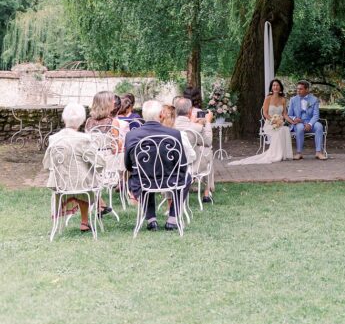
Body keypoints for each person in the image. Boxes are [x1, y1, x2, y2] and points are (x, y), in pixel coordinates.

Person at [124, 99, 190, 231]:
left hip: (143, 181)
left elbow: (128, 165)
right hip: (169, 179)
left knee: (138, 177)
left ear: (143, 116)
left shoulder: (132, 135)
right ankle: (172, 218)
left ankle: (151, 219)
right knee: (186, 177)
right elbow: (181, 162)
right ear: (161, 115)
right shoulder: (173, 134)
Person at [43, 102, 108, 234]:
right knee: (85, 180)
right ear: (82, 120)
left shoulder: (54, 138)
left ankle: (67, 224)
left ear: (63, 118)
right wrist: (98, 168)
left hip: (60, 183)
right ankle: (85, 221)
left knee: (79, 179)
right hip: (82, 183)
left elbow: (47, 163)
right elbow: (98, 161)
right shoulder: (84, 139)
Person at [229, 79, 294, 166]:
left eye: (277, 85)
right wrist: (272, 120)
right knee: (279, 131)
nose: (275, 87)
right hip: (269, 123)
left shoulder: (283, 99)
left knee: (285, 129)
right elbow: (265, 113)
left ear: (280, 87)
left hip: (279, 123)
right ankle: (275, 155)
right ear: (271, 87)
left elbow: (285, 114)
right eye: (274, 85)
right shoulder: (268, 98)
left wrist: (292, 122)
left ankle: (283, 154)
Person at [174, 96, 216, 199]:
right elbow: (208, 142)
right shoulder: (195, 128)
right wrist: (208, 123)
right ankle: (207, 192)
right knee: (207, 151)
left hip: (173, 167)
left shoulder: (169, 126)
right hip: (192, 166)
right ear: (189, 111)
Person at [288, 80, 326, 160]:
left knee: (319, 126)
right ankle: (299, 153)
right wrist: (295, 118)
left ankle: (318, 152)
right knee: (300, 127)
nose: (298, 91)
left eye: (301, 89)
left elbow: (316, 115)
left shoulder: (314, 99)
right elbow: (289, 115)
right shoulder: (293, 100)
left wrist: (310, 124)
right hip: (298, 122)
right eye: (297, 89)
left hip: (310, 121)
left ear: (307, 89)